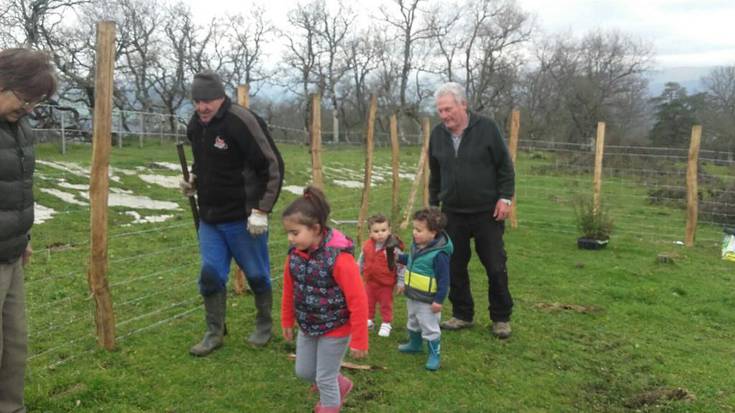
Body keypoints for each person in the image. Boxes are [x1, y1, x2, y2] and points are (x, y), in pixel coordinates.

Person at [181, 70, 284, 356]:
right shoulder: (195, 125)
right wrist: (194, 180)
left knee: (257, 274)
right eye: (197, 101)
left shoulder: (242, 122)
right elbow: (205, 162)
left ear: (221, 97)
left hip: (243, 217)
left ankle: (264, 324)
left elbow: (272, 167)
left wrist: (262, 210)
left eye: (208, 101)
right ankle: (214, 332)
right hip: (210, 217)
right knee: (210, 273)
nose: (202, 107)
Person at [429, 82, 515, 339]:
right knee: (454, 264)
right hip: (452, 211)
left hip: (487, 211)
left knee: (495, 265)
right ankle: (462, 314)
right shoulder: (437, 135)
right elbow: (435, 172)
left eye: (448, 109)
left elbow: (505, 167)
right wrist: (433, 206)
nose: (444, 116)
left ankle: (501, 317)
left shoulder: (487, 128)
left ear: (463, 105)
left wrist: (505, 199)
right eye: (440, 111)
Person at [0, 48, 57, 413]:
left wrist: (25, 239)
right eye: (25, 99)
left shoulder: (18, 127)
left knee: (14, 344)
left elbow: (18, 188)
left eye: (35, 103)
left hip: (11, 252)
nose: (29, 109)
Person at [280, 186, 368, 413]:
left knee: (324, 377)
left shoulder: (339, 259)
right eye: (288, 233)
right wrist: (287, 321)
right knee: (305, 372)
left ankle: (330, 406)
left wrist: (359, 339)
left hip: (337, 327)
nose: (290, 238)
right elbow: (288, 291)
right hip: (308, 324)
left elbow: (358, 301)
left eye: (295, 233)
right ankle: (342, 383)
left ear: (316, 229)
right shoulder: (294, 257)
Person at [397, 207, 453, 371]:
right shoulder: (417, 245)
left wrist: (439, 300)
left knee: (429, 326)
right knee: (413, 320)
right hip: (413, 294)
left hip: (428, 300)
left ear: (433, 233)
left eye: (419, 230)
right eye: (414, 229)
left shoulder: (439, 254)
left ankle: (434, 354)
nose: (414, 233)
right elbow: (412, 260)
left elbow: (444, 279)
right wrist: (400, 258)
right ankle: (415, 344)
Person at [357, 214, 405, 337]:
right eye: (376, 231)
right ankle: (369, 320)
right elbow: (362, 260)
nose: (380, 234)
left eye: (383, 230)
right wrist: (357, 272)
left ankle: (386, 322)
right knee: (368, 302)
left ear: (389, 230)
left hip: (386, 283)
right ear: (370, 233)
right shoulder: (367, 245)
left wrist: (400, 281)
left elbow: (401, 266)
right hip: (370, 281)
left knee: (386, 304)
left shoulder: (393, 247)